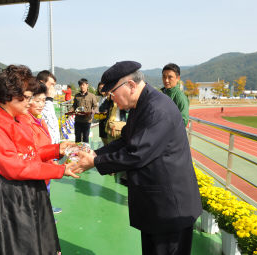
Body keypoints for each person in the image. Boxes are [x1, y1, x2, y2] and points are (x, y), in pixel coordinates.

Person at [72, 61, 202, 255]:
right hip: (156, 205)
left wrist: (94, 162)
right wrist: (96, 154)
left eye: (113, 94)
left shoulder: (157, 108)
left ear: (131, 86)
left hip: (170, 208)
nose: (113, 100)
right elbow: (126, 140)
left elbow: (136, 153)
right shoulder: (141, 105)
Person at [0, 64, 78, 255]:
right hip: (5, 196)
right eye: (27, 98)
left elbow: (29, 153)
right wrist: (60, 170)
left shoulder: (18, 118)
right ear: (11, 95)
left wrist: (56, 150)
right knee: (18, 245)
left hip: (24, 190)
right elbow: (15, 167)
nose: (29, 103)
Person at [36, 70, 62, 214]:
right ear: (41, 84)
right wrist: (49, 99)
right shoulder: (38, 103)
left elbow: (52, 124)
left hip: (50, 150)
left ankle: (46, 209)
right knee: (42, 184)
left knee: (47, 183)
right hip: (43, 150)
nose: (53, 88)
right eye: (51, 84)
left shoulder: (47, 102)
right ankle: (43, 213)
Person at [70, 78, 97, 143]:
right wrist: (70, 111)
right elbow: (74, 106)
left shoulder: (92, 96)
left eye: (83, 85)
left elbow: (95, 106)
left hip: (87, 120)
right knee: (77, 138)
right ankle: (77, 152)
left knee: (85, 138)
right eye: (80, 85)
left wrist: (93, 111)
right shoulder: (77, 96)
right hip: (78, 120)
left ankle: (85, 152)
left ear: (87, 85)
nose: (82, 86)